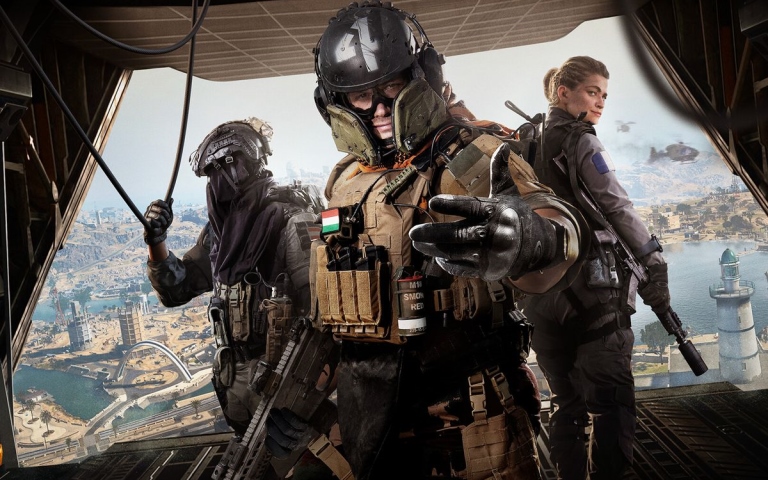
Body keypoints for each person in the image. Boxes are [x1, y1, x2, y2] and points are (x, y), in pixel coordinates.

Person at [263, 3, 587, 479]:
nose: (379, 110)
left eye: (392, 88)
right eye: (360, 96)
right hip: (371, 421)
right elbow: (336, 310)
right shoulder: (344, 180)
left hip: (469, 416)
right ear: (336, 102)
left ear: (423, 78)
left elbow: (557, 228)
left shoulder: (471, 157)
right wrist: (302, 402)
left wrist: (533, 238)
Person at [142, 118, 330, 474]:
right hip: (236, 384)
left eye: (224, 168)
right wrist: (156, 242)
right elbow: (177, 290)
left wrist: (311, 396)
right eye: (211, 174)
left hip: (284, 385)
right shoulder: (221, 234)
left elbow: (324, 319)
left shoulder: (291, 220)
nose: (218, 182)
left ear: (245, 165)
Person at [517, 56, 671, 479]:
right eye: (592, 92)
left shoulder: (523, 142)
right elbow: (617, 207)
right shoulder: (582, 141)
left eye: (604, 94)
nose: (601, 102)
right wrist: (655, 264)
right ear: (563, 92)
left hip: (538, 297)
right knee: (611, 405)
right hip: (593, 294)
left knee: (567, 405)